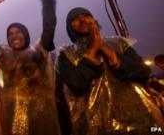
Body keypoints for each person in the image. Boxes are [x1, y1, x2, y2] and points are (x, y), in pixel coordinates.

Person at [58, 7, 164, 135]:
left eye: (86, 15)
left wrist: (104, 48)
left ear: (94, 20)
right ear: (69, 27)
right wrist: (92, 51)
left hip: (142, 119)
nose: (82, 19)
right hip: (97, 127)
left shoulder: (119, 43)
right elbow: (77, 84)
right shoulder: (65, 54)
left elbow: (142, 71)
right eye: (75, 18)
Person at [0, 0, 60, 135]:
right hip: (13, 124)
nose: (14, 35)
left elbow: (49, 27)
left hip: (43, 122)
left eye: (18, 32)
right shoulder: (2, 56)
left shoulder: (38, 53)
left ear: (26, 35)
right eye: (10, 34)